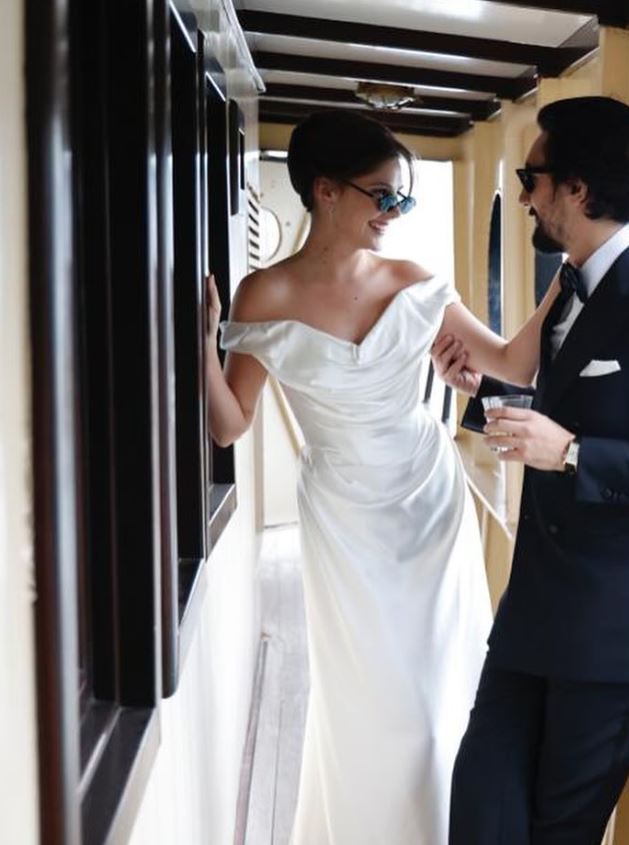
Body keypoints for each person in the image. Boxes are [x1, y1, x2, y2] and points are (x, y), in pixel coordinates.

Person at [205, 110, 564, 845]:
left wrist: (577, 267)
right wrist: (195, 343)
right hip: (341, 516)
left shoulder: (415, 283)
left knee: (435, 696)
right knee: (368, 702)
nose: (395, 213)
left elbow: (515, 363)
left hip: (427, 501)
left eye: (404, 198)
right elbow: (229, 423)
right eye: (383, 195)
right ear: (326, 190)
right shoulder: (262, 295)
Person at [433, 96, 629, 844]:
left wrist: (573, 451)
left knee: (558, 829)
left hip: (618, 622)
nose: (523, 197)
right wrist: (483, 391)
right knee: (480, 802)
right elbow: (576, 397)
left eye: (531, 179)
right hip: (539, 602)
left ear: (577, 189)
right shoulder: (572, 280)